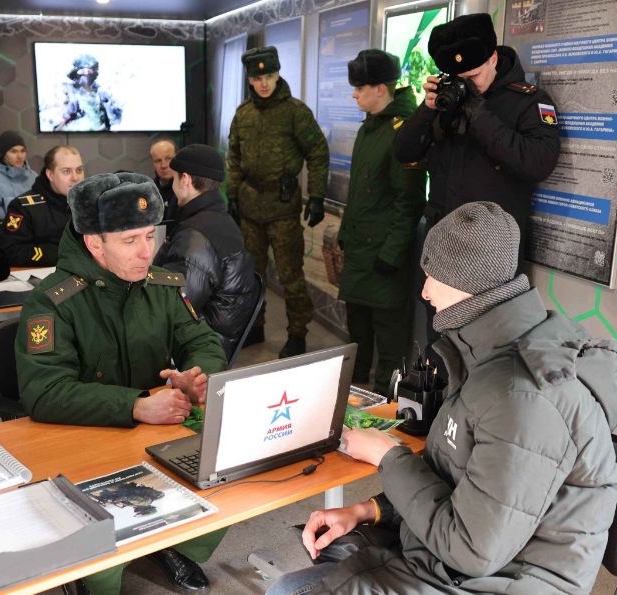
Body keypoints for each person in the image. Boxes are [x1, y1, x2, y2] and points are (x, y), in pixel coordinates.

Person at [267, 202, 617, 595]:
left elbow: (471, 549)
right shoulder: (492, 356)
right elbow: (458, 482)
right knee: (287, 588)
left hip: (494, 581)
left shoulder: (524, 399)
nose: (424, 290)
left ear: (463, 281)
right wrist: (370, 510)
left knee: (286, 591)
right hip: (455, 566)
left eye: (432, 275)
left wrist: (388, 456)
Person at [15, 172, 228, 593]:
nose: (147, 252)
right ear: (95, 243)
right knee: (104, 551)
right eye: (130, 241)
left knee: (224, 476)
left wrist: (198, 376)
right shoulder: (53, 302)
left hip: (154, 431)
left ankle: (171, 544)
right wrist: (135, 405)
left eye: (150, 236)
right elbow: (44, 391)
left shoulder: (160, 286)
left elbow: (202, 341)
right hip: (83, 436)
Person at [393, 13, 561, 265]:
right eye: (459, 79)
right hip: (440, 241)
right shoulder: (448, 98)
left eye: (473, 77)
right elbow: (404, 152)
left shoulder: (530, 101)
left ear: (493, 58)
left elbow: (538, 163)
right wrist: (427, 110)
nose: (466, 85)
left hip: (490, 250)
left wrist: (479, 115)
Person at [227, 46, 329, 358]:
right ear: (249, 79)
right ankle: (254, 325)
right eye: (258, 78)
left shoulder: (295, 112)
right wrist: (231, 195)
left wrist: (317, 196)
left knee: (290, 276)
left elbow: (317, 152)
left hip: (283, 208)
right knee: (252, 275)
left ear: (277, 74)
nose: (264, 83)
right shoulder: (243, 114)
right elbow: (234, 157)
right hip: (250, 207)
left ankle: (297, 334)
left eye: (269, 76)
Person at [339, 49, 426, 396]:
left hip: (383, 257)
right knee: (358, 335)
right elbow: (360, 192)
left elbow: (409, 201)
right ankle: (353, 400)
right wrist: (345, 234)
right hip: (359, 253)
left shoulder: (402, 131)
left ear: (380, 88)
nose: (354, 94)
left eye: (360, 87)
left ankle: (385, 406)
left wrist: (392, 254)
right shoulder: (370, 127)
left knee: (390, 342)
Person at [155, 144, 261, 360]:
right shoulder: (219, 219)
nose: (173, 186)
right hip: (215, 336)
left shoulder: (196, 237)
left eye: (174, 179)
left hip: (198, 348)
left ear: (185, 180)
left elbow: (170, 310)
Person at [0, 145, 85, 266]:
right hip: (43, 271)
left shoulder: (89, 201)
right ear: (50, 174)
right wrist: (62, 253)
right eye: (66, 171)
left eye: (79, 170)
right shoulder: (23, 207)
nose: (75, 178)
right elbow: (11, 251)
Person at [57, 54, 122, 132]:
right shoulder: (67, 90)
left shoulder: (102, 92)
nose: (86, 73)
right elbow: (62, 116)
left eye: (89, 70)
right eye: (82, 70)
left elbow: (115, 118)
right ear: (75, 72)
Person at [150, 137, 179, 223]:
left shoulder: (189, 190)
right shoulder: (148, 192)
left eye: (168, 158)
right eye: (158, 161)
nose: (163, 165)